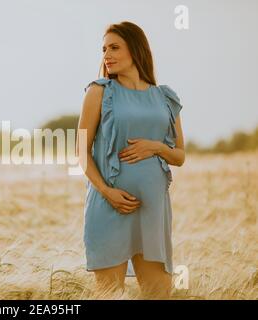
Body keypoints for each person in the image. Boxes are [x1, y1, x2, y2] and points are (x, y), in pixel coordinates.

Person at [77, 21, 185, 299]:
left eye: (114, 47)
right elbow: (80, 151)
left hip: (153, 211)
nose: (106, 55)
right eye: (103, 49)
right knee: (109, 295)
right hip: (110, 207)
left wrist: (155, 146)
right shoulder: (99, 92)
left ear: (136, 50)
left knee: (160, 294)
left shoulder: (165, 98)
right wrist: (107, 192)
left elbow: (180, 156)